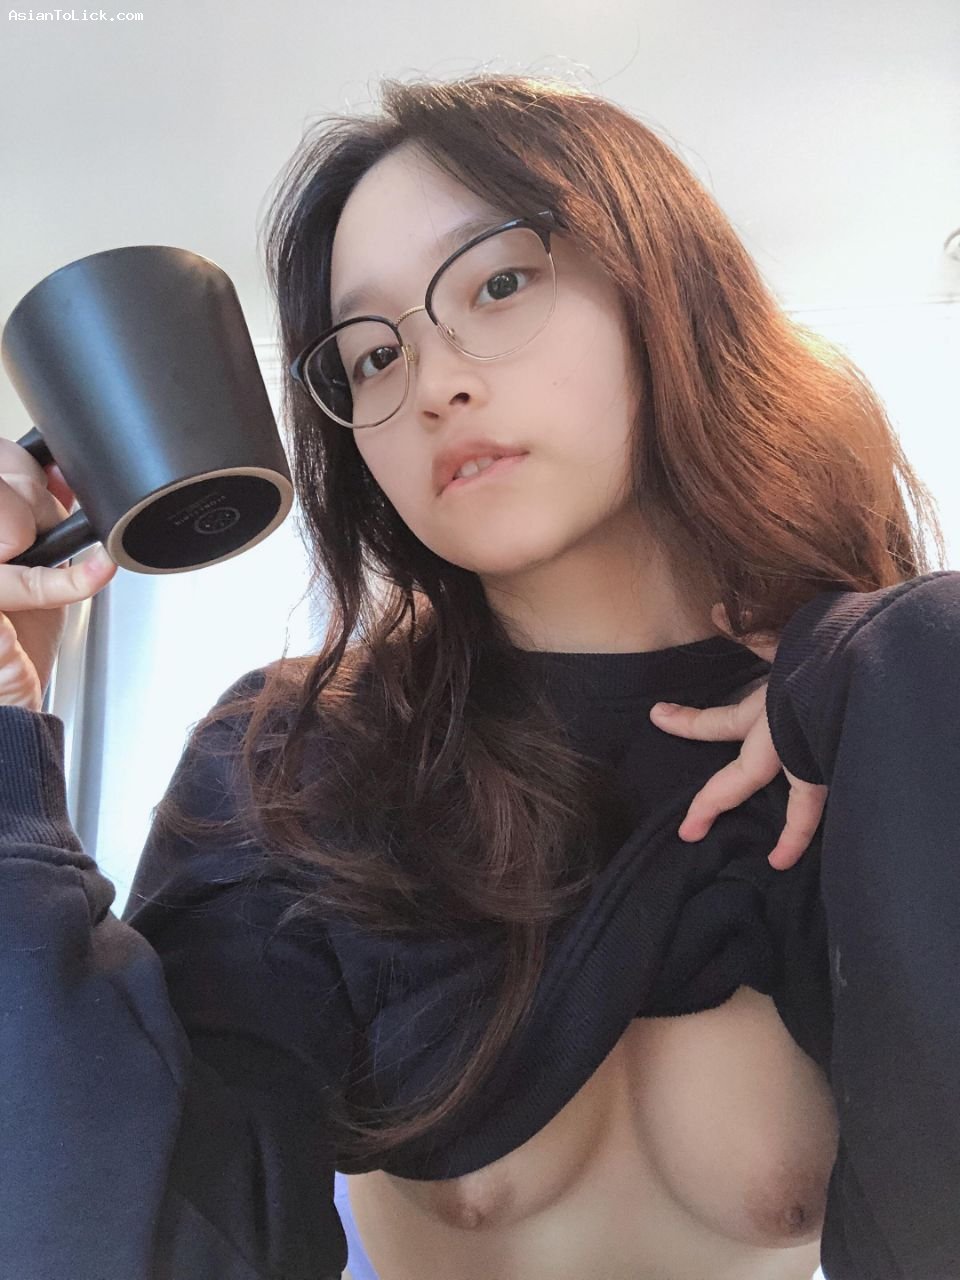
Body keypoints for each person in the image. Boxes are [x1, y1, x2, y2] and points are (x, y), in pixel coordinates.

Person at [0, 71, 956, 1280]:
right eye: (372, 354)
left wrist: (886, 660)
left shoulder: (872, 724)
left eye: (497, 283)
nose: (435, 385)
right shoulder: (294, 760)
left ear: (672, 288)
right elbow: (111, 1235)